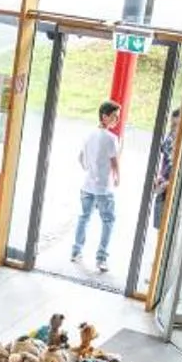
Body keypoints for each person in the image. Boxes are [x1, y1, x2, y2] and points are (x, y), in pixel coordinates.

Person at [71, 100, 121, 273]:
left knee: (84, 218)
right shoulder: (111, 139)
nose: (117, 120)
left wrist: (89, 169)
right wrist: (117, 178)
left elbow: (81, 159)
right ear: (104, 116)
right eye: (114, 116)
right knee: (108, 221)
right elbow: (114, 163)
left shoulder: (89, 134)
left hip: (87, 185)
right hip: (103, 189)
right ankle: (101, 259)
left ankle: (76, 251)